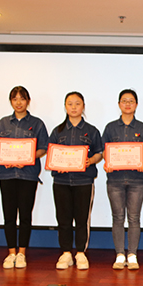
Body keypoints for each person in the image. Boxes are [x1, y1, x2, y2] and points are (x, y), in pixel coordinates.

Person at [0, 86, 49, 269]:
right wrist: (3, 157)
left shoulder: (37, 124)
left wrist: (28, 158)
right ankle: (11, 253)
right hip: (7, 175)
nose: (18, 102)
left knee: (25, 215)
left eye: (22, 99)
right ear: (11, 101)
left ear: (28, 101)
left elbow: (43, 148)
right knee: (8, 215)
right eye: (15, 99)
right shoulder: (3, 123)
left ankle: (22, 252)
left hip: (28, 175)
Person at [49, 92, 103, 270]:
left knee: (82, 219)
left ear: (83, 106)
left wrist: (91, 160)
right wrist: (57, 163)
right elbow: (51, 154)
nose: (73, 107)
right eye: (70, 104)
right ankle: (66, 253)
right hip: (61, 181)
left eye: (77, 103)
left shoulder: (92, 131)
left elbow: (99, 153)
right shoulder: (57, 131)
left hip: (84, 181)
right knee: (63, 218)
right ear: (65, 107)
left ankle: (80, 252)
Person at [102, 89, 143, 271]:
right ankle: (119, 254)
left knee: (134, 218)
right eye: (124, 101)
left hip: (136, 180)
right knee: (117, 217)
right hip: (114, 179)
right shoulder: (110, 128)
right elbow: (105, 151)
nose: (128, 104)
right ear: (119, 104)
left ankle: (132, 254)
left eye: (131, 101)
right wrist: (108, 162)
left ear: (136, 105)